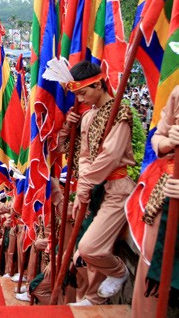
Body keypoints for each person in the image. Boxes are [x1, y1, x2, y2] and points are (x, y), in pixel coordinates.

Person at [66, 61, 135, 306]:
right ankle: (93, 298)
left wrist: (84, 186)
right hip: (94, 189)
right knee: (85, 248)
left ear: (98, 83)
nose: (81, 99)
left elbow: (110, 157)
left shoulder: (120, 113)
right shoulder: (87, 118)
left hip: (117, 190)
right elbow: (84, 156)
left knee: (90, 248)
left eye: (83, 93)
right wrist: (83, 188)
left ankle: (118, 271)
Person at [129, 85, 179, 318]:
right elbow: (158, 136)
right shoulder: (178, 93)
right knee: (150, 266)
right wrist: (168, 143)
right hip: (166, 194)